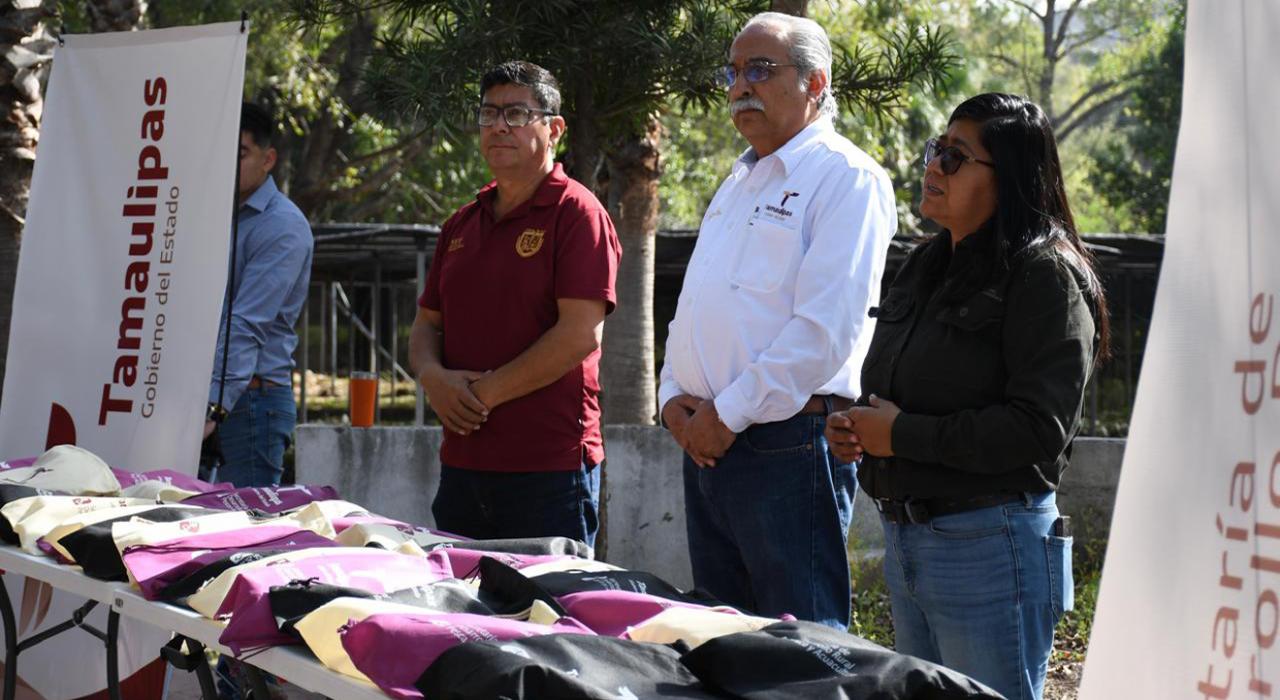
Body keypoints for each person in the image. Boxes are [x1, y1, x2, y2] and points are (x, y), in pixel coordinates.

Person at [825, 93, 1110, 700]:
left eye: (956, 157)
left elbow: (1038, 428)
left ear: (1011, 179)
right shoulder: (925, 265)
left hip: (991, 545)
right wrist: (858, 429)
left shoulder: (1044, 275)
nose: (933, 165)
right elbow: (899, 390)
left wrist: (900, 435)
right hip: (908, 540)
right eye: (938, 148)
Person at [658, 12, 896, 630]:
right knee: (721, 642)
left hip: (786, 444)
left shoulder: (846, 178)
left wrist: (725, 414)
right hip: (706, 441)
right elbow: (695, 306)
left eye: (760, 70)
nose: (741, 86)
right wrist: (671, 399)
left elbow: (824, 335)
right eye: (733, 72)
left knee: (800, 649)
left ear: (816, 83)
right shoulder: (738, 180)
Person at [408, 61, 621, 547]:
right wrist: (433, 379)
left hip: (548, 471)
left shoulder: (578, 213)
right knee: (459, 595)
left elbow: (580, 335)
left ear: (555, 129)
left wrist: (481, 396)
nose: (499, 126)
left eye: (518, 113)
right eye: (489, 113)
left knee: (546, 598)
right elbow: (425, 325)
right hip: (462, 466)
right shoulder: (460, 223)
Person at [204, 102, 314, 489]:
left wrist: (213, 407)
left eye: (239, 154)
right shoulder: (211, 216)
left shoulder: (282, 225)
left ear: (268, 159)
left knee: (245, 522)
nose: (226, 164)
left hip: (250, 403)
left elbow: (247, 323)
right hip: (209, 397)